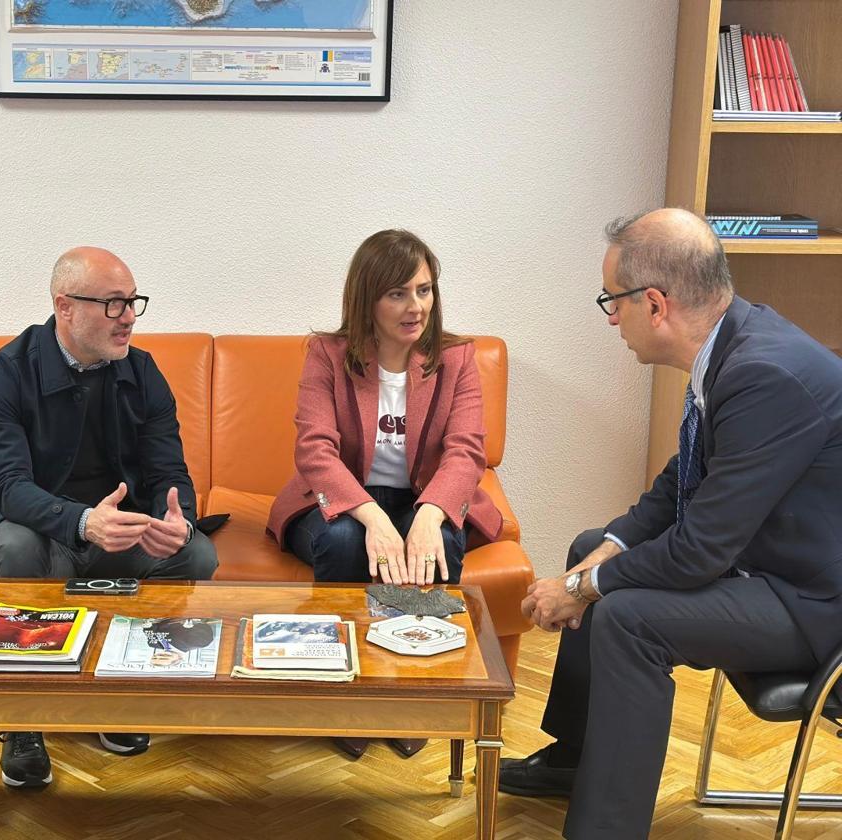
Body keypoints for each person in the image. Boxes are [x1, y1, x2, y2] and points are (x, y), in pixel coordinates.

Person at [501, 209, 842, 839]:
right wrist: (602, 555)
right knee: (589, 550)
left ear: (654, 304)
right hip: (765, 563)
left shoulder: (764, 374)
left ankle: (606, 829)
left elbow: (698, 552)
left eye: (613, 301)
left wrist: (577, 590)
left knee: (630, 620)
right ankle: (576, 760)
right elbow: (676, 487)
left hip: (811, 600)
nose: (610, 318)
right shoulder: (731, 345)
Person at [0, 245, 218, 790]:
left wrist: (179, 519)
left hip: (119, 532)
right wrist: (80, 520)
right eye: (114, 304)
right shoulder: (5, 374)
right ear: (65, 307)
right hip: (42, 528)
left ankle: (118, 694)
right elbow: (6, 485)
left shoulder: (143, 372)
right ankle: (23, 721)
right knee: (15, 546)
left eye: (132, 303)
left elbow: (169, 466)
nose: (129, 319)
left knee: (197, 552)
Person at [266, 229, 503, 759]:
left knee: (441, 542)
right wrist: (374, 519)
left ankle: (414, 695)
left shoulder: (458, 358)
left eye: (423, 290)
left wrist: (426, 518)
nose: (415, 306)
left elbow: (466, 451)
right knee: (347, 540)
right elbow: (316, 450)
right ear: (366, 299)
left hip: (424, 495)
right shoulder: (328, 355)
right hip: (345, 495)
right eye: (397, 293)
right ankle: (345, 695)